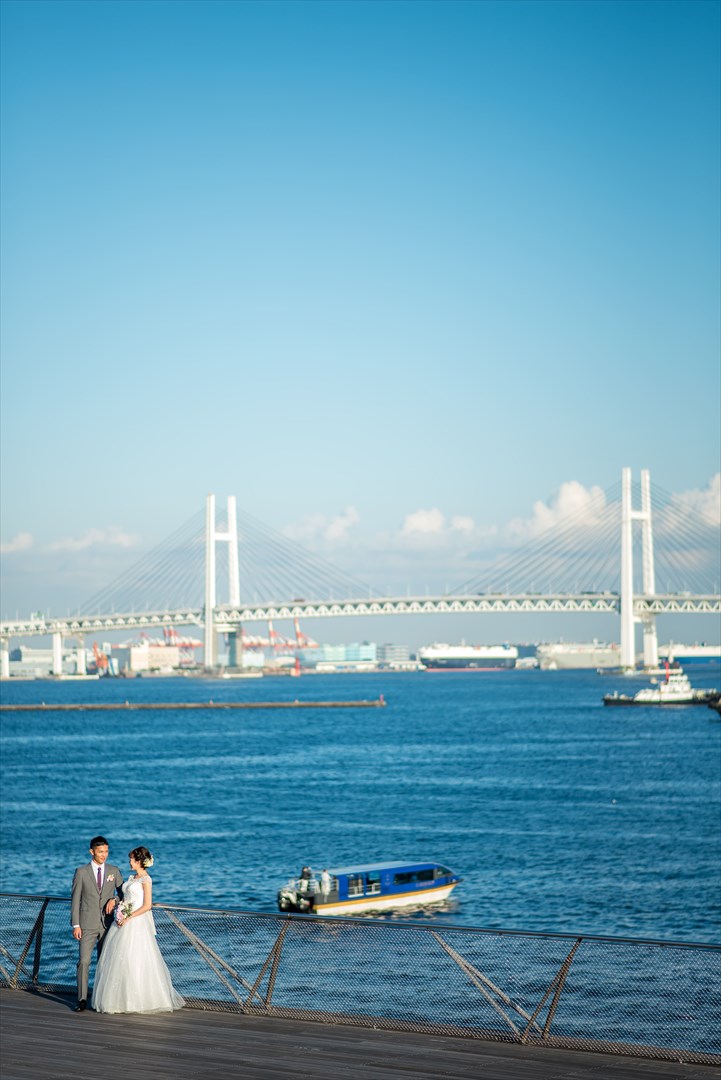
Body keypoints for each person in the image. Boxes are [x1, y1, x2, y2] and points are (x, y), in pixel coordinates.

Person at [91, 845, 184, 1014]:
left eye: (132, 859)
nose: (129, 862)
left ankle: (137, 1001)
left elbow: (147, 905)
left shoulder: (146, 880)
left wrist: (128, 916)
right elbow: (125, 897)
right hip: (122, 921)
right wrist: (118, 907)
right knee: (118, 960)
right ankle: (119, 1000)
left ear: (139, 861)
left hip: (135, 923)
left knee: (135, 959)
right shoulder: (132, 878)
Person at [71, 835, 124, 1012]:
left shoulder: (114, 871)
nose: (104, 855)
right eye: (101, 851)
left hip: (108, 924)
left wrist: (114, 900)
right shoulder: (81, 872)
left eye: (106, 851)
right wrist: (76, 925)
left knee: (104, 961)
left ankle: (100, 997)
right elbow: (75, 900)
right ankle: (82, 999)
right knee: (84, 961)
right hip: (86, 924)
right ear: (92, 851)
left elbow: (124, 893)